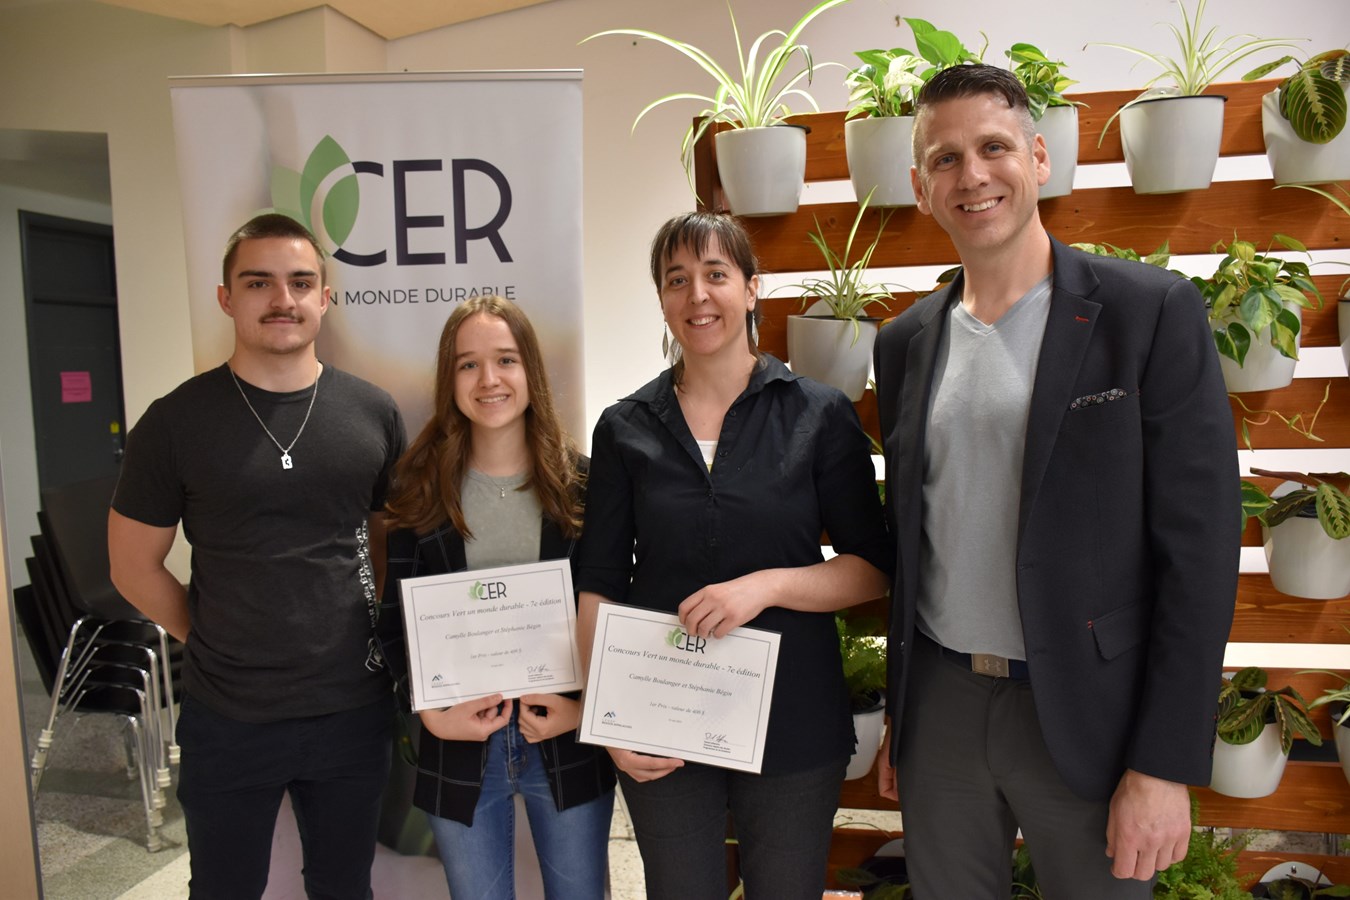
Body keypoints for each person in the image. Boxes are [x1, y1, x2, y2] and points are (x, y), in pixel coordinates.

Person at [871, 64, 1240, 898]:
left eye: (993, 147)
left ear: (1038, 158)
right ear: (921, 186)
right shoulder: (904, 343)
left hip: (1091, 712)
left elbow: (1202, 552)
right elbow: (917, 533)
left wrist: (1163, 763)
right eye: (945, 158)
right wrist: (904, 711)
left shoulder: (1148, 313)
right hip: (944, 702)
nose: (972, 175)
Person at [576, 211, 891, 900]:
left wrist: (765, 587)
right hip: (663, 716)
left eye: (716, 275)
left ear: (752, 288)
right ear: (661, 298)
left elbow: (871, 565)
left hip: (793, 720)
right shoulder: (626, 428)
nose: (697, 296)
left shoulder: (818, 414)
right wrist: (607, 719)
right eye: (677, 280)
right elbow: (596, 581)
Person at [107, 213, 406, 900]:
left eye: (302, 282)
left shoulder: (373, 412)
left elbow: (390, 540)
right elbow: (132, 566)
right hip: (229, 716)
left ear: (325, 299)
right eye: (259, 282)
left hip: (350, 709)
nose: (283, 299)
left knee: (344, 886)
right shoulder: (176, 421)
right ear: (226, 298)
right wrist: (211, 637)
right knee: (224, 888)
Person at [378, 296, 615, 899]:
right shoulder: (420, 488)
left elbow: (611, 611)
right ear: (448, 379)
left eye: (505, 360)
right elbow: (392, 624)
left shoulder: (587, 487)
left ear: (530, 370)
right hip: (457, 750)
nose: (488, 380)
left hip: (564, 742)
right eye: (467, 365)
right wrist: (428, 711)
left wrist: (584, 708)